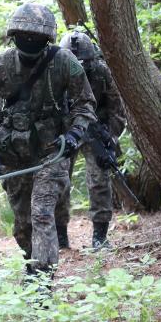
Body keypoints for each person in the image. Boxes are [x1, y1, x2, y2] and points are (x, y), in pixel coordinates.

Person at [0, 3, 97, 274]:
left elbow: (85, 104)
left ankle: (42, 282)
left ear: (46, 39)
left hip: (53, 153)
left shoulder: (65, 63)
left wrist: (74, 134)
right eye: (24, 36)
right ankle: (33, 269)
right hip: (13, 158)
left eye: (36, 37)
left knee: (42, 213)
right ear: (13, 36)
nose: (29, 41)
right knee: (23, 226)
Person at [55, 30, 126, 250]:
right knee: (58, 181)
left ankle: (100, 236)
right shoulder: (54, 72)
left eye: (83, 62)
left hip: (95, 132)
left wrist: (111, 138)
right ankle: (59, 236)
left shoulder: (101, 72)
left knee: (99, 182)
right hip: (65, 134)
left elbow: (116, 108)